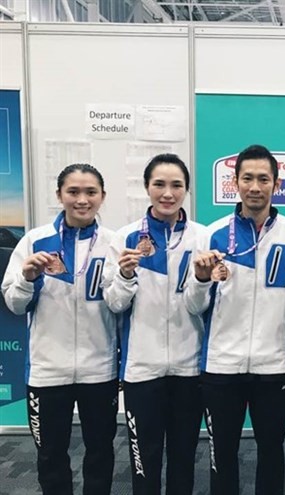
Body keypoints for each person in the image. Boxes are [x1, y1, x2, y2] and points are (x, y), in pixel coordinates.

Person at [184, 144, 285, 495]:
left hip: (273, 367)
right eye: (248, 178)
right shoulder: (212, 234)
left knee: (272, 453)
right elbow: (194, 306)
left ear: (277, 184)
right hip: (222, 367)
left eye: (263, 179)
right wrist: (202, 278)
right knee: (222, 454)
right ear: (235, 182)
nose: (256, 186)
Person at [1, 164, 118, 495]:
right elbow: (14, 304)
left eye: (90, 192)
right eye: (73, 192)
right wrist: (26, 278)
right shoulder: (34, 241)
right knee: (51, 456)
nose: (82, 199)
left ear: (102, 197)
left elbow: (120, 303)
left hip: (99, 371)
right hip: (47, 373)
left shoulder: (113, 243)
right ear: (59, 195)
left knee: (100, 453)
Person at [102, 153, 205, 495]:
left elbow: (204, 305)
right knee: (144, 461)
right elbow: (115, 303)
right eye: (159, 184)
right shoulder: (126, 238)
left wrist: (204, 279)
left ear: (187, 190)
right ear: (147, 187)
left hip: (189, 369)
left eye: (176, 185)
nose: (167, 193)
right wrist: (127, 274)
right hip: (141, 370)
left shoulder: (202, 238)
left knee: (183, 458)